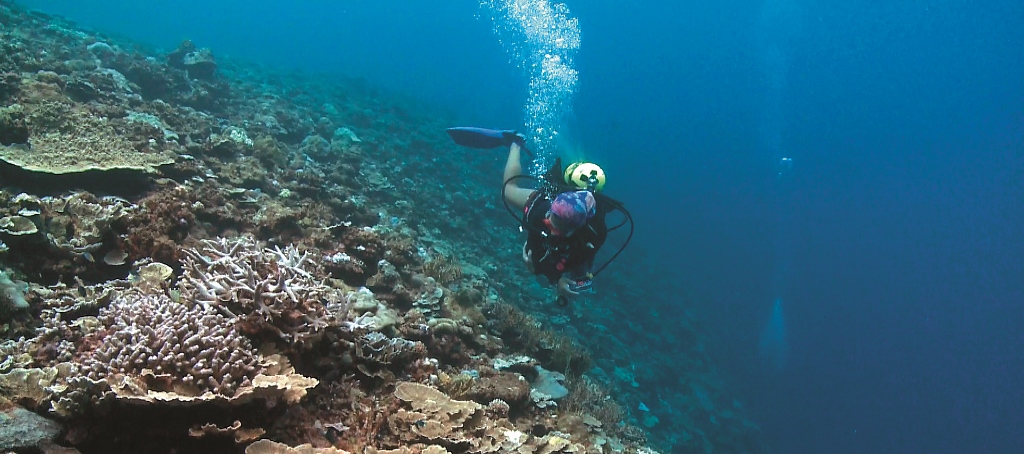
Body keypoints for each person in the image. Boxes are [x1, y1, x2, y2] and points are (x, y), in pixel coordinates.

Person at [501, 141, 609, 304]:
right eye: (549, 223)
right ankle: (515, 144)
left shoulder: (596, 232)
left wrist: (567, 279)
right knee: (509, 190)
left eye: (557, 230)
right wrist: (555, 278)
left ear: (577, 228)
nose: (550, 231)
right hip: (546, 201)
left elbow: (583, 260)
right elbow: (534, 258)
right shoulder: (540, 210)